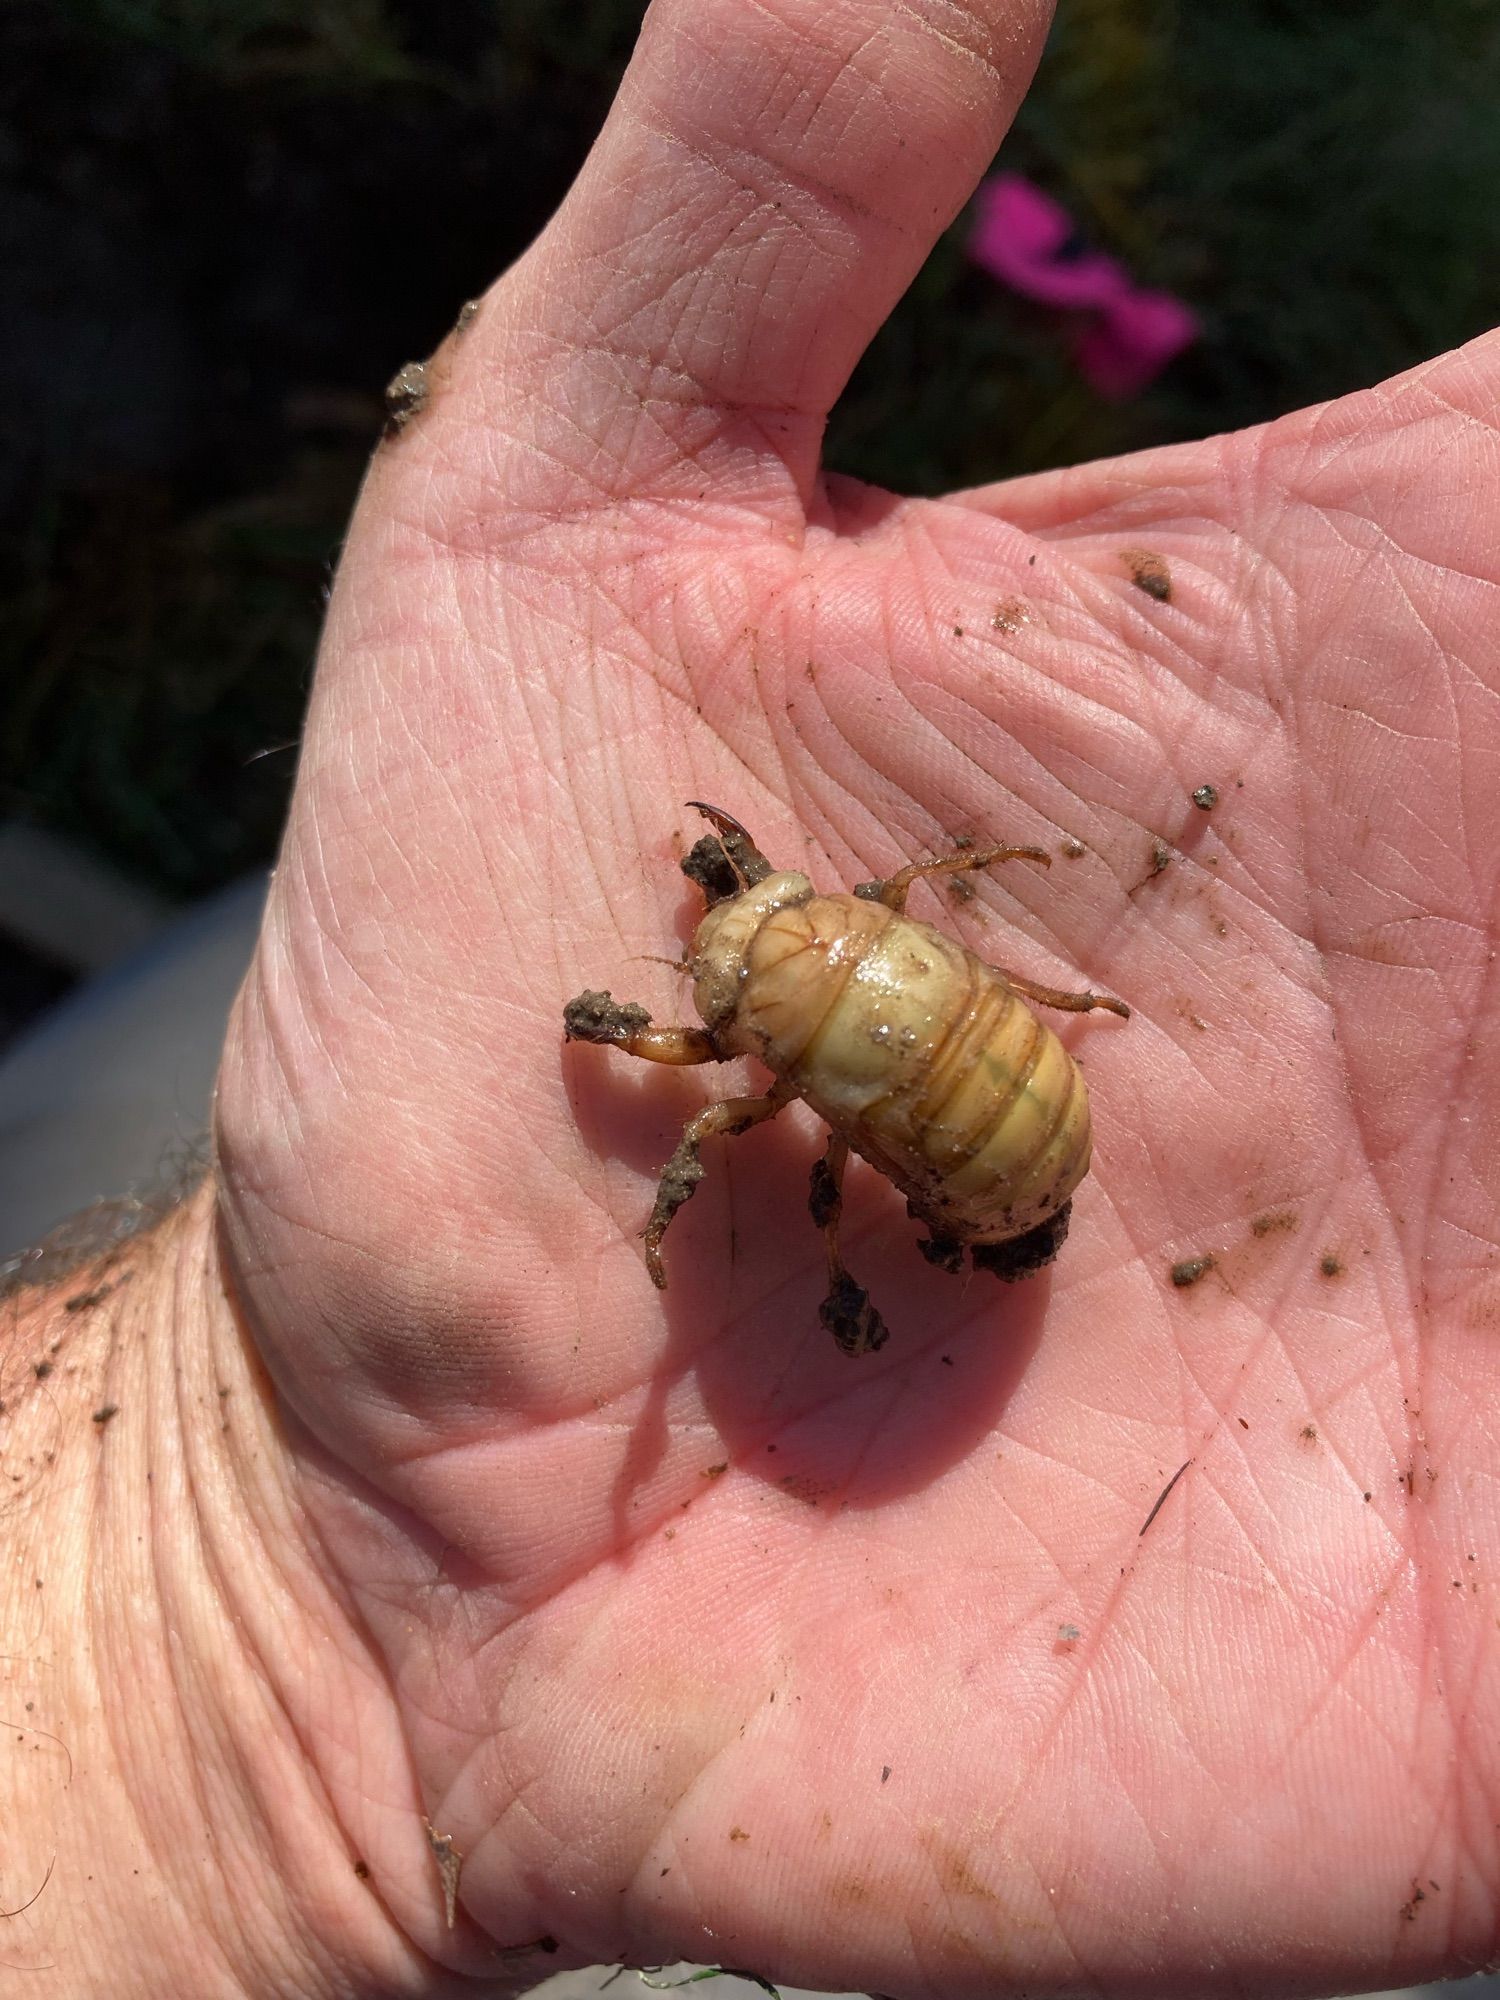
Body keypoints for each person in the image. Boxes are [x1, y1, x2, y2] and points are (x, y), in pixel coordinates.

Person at [6, 0, 1498, 1993]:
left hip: (973, 1096)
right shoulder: (842, 950)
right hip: (968, 1079)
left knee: (206, 994)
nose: (712, 929)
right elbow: (821, 989)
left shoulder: (759, 1046)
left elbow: (698, 1082)